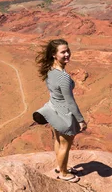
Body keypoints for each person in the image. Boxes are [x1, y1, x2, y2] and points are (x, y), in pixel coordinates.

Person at [32, 39, 87, 183]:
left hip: (53, 110)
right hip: (64, 115)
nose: (67, 54)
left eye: (68, 50)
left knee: (58, 140)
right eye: (63, 52)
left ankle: (60, 166)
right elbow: (70, 102)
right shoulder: (63, 78)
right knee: (65, 144)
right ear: (54, 55)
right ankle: (63, 173)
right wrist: (80, 120)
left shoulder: (50, 69)